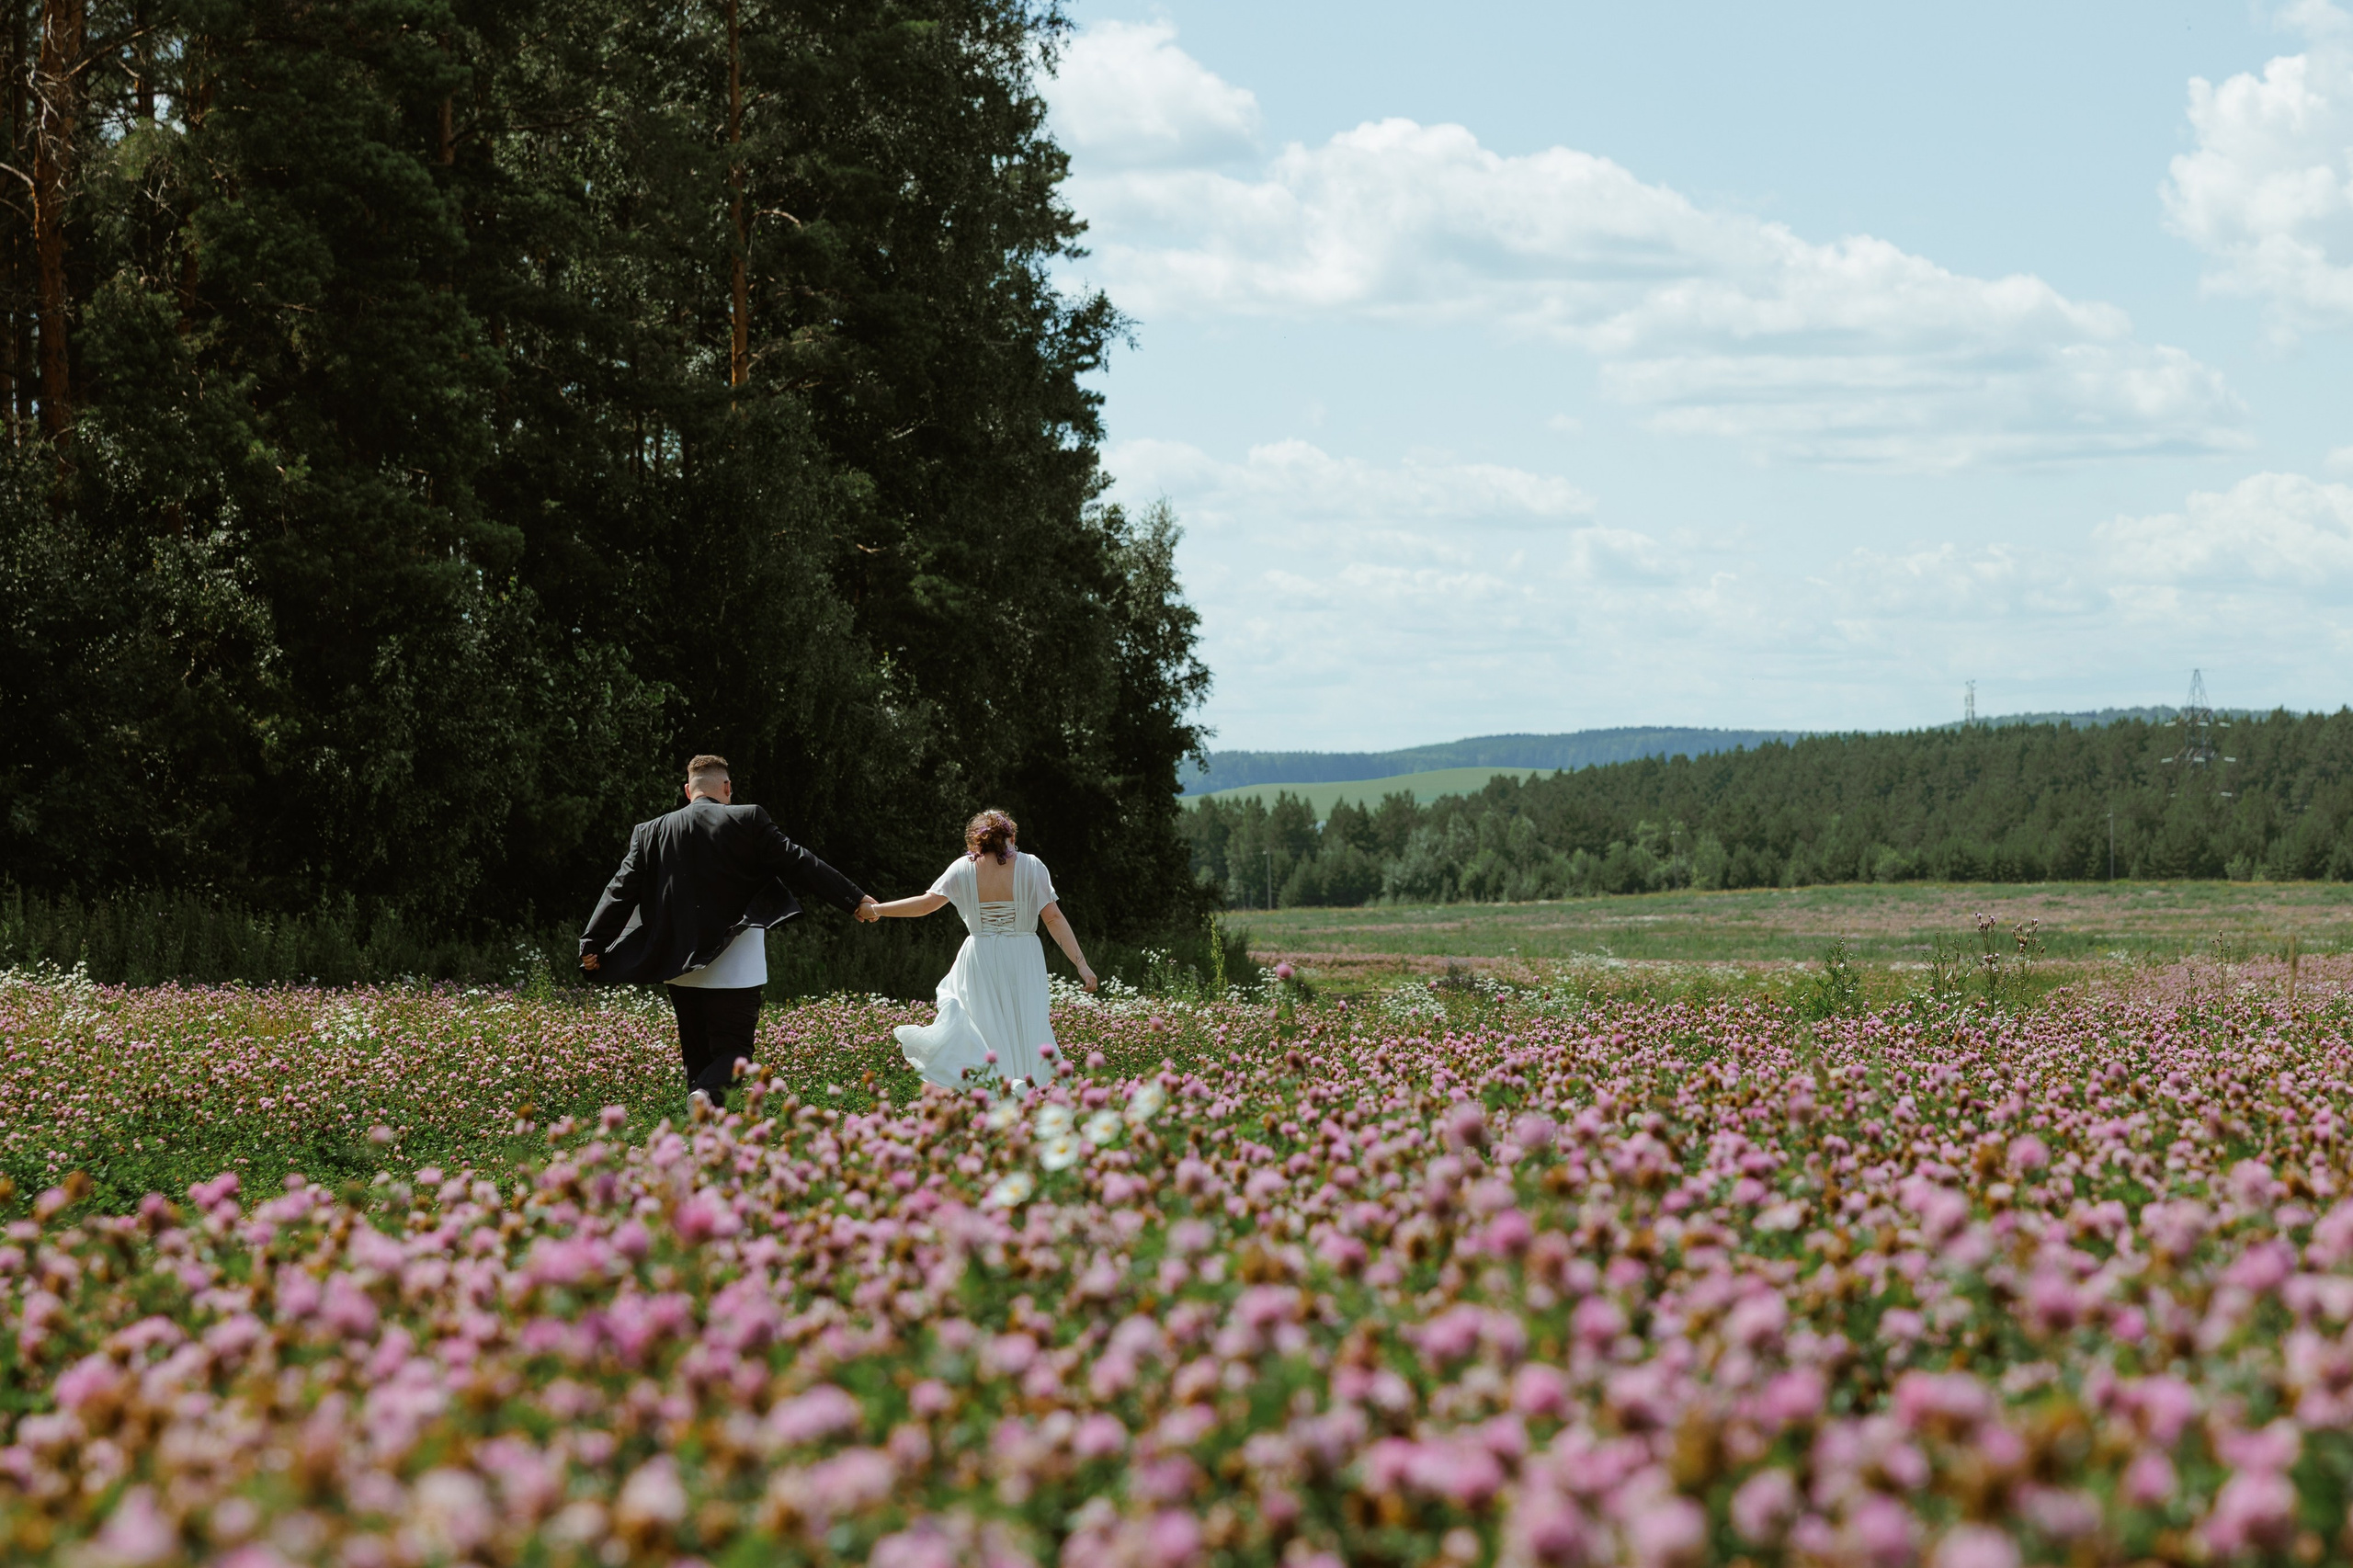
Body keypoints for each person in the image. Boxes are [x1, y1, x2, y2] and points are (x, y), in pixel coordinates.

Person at [579, 754, 879, 1111]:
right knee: (735, 1051)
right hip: (737, 961)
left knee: (697, 1054)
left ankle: (701, 1129)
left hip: (678, 964)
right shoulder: (748, 818)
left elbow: (620, 889)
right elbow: (799, 861)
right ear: (727, 788)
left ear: (688, 790)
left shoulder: (650, 831)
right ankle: (705, 1101)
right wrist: (853, 898)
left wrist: (592, 943)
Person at [873, 809, 1096, 1093]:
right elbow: (1053, 918)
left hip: (979, 956)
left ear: (974, 841)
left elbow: (925, 905)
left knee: (983, 1027)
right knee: (1029, 1025)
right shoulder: (1032, 866)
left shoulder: (961, 868)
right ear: (1010, 837)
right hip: (1023, 956)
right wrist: (1081, 963)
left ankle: (995, 1090)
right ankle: (1033, 1090)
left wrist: (877, 910)